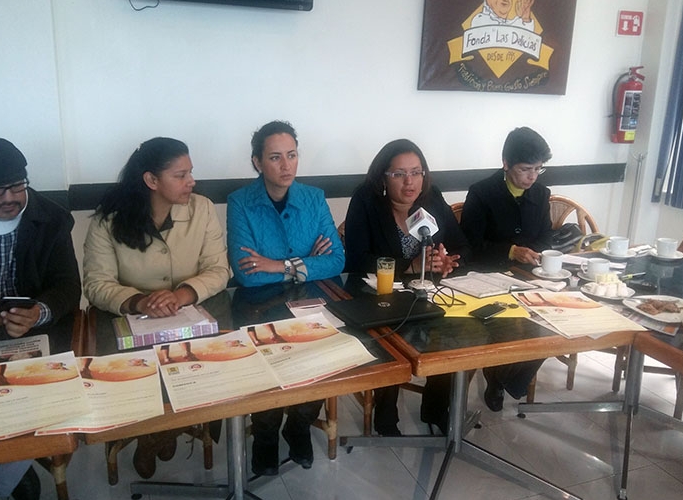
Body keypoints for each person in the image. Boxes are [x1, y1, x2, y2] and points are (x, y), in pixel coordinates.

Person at [83, 137, 230, 478]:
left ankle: (159, 434)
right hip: (133, 322)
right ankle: (156, 431)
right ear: (151, 180)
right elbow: (96, 283)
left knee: (205, 368)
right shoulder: (108, 220)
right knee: (139, 374)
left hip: (191, 314)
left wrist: (183, 294)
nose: (191, 181)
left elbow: (219, 270)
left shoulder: (202, 208)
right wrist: (138, 301)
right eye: (180, 175)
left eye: (190, 172)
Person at [0, 137, 81, 500]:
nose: (10, 198)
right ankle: (3, 473)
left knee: (49, 394)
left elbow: (68, 287)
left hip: (30, 338)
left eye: (18, 186)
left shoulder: (50, 217)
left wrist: (38, 312)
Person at [226, 120, 344, 476]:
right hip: (258, 304)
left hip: (311, 301)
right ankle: (265, 436)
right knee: (268, 365)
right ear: (257, 162)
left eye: (292, 155)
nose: (286, 165)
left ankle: (299, 425)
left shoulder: (313, 197)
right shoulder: (240, 202)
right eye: (275, 157)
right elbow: (248, 273)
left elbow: (337, 260)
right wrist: (308, 262)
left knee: (322, 356)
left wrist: (278, 264)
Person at [343, 138, 470, 436]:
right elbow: (356, 259)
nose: (409, 181)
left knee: (453, 333)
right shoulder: (366, 200)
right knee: (390, 334)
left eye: (416, 172)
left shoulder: (432, 198)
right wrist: (410, 266)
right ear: (383, 177)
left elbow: (462, 246)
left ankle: (436, 408)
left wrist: (448, 261)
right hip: (378, 294)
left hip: (429, 291)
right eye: (399, 174)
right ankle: (385, 411)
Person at [459, 126, 553, 412]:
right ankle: (499, 374)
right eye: (525, 169)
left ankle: (501, 377)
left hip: (529, 276)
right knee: (505, 323)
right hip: (486, 275)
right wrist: (511, 251)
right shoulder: (482, 192)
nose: (532, 176)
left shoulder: (541, 193)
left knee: (551, 324)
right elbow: (470, 245)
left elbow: (546, 237)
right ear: (506, 163)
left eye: (538, 169)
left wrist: (536, 253)